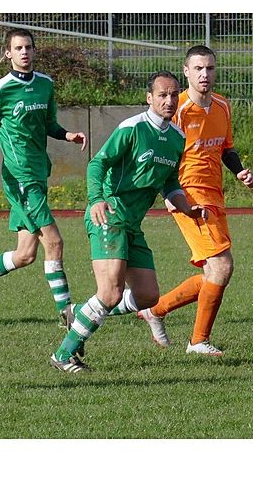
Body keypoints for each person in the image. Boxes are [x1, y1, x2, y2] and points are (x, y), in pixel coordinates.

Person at [50, 71, 206, 373]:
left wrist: (189, 208)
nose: (169, 100)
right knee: (110, 293)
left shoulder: (177, 138)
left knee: (149, 296)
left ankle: (80, 312)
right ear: (149, 98)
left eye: (174, 94)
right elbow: (98, 163)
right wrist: (96, 198)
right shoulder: (132, 128)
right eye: (162, 94)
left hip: (133, 223)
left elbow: (170, 184)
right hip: (110, 214)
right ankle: (64, 355)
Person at [0, 28, 87, 323]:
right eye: (18, 48)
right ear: (8, 53)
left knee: (25, 255)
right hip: (20, 178)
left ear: (35, 51)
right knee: (55, 242)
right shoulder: (0, 90)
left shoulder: (45, 85)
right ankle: (67, 314)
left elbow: (49, 123)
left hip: (39, 174)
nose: (24, 52)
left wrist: (67, 135)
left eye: (29, 47)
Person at [128, 45, 253, 355]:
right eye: (198, 69)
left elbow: (226, 148)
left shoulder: (222, 106)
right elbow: (161, 152)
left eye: (210, 68)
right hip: (188, 195)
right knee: (222, 266)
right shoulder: (178, 109)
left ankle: (155, 310)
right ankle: (198, 341)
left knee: (215, 272)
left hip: (215, 195)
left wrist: (239, 172)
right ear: (186, 72)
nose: (204, 74)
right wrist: (168, 194)